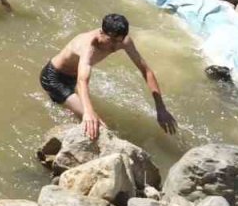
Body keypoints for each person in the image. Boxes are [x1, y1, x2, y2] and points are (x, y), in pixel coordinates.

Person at [40, 13, 178, 140]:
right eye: (111, 40)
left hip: (72, 79)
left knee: (88, 116)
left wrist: (161, 108)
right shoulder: (88, 45)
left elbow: (146, 71)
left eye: (119, 41)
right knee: (98, 125)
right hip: (54, 78)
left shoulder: (124, 41)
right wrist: (88, 112)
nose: (114, 46)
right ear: (101, 32)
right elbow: (83, 81)